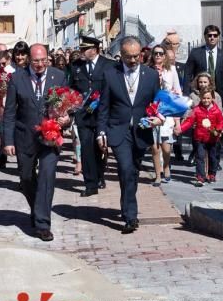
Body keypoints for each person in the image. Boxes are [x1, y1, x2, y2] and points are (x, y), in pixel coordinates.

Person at [3, 43, 70, 241]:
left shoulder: (58, 76)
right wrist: (8, 140)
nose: (40, 65)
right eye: (36, 61)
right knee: (26, 178)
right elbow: (9, 113)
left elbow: (65, 105)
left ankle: (42, 224)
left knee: (47, 177)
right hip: (25, 137)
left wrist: (67, 119)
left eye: (43, 60)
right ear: (28, 60)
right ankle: (37, 207)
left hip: (51, 136)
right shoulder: (17, 78)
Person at [97, 36, 161, 234]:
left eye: (136, 56)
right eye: (128, 57)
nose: (133, 61)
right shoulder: (110, 74)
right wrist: (101, 132)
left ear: (141, 54)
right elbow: (104, 107)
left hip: (141, 132)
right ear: (121, 56)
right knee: (125, 168)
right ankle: (131, 217)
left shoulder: (150, 75)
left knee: (132, 172)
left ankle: (127, 207)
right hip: (118, 131)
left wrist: (160, 118)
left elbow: (157, 103)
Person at [69, 36, 113, 196]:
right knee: (86, 149)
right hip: (83, 115)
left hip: (102, 114)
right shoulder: (75, 66)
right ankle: (90, 184)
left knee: (100, 147)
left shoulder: (109, 65)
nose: (80, 52)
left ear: (94, 50)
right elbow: (72, 89)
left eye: (84, 49)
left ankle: (100, 175)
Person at [176, 88, 223, 186]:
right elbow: (189, 121)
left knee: (213, 157)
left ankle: (211, 174)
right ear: (200, 98)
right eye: (204, 98)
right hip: (200, 138)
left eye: (208, 98)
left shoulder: (216, 110)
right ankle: (200, 176)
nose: (206, 100)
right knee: (200, 157)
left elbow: (221, 122)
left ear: (212, 98)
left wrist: (218, 130)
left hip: (213, 138)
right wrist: (181, 128)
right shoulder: (196, 110)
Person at [148, 45, 181, 185]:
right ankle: (157, 175)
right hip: (152, 110)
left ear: (165, 56)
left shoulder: (171, 70)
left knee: (166, 147)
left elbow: (177, 92)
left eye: (161, 54)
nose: (158, 56)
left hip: (167, 111)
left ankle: (166, 166)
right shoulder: (147, 70)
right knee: (155, 146)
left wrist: (178, 121)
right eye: (156, 53)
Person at [184, 25, 223, 102]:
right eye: (210, 35)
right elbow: (187, 74)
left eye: (215, 35)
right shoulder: (195, 53)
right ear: (205, 36)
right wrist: (186, 94)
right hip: (198, 94)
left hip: (217, 95)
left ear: (218, 37)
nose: (212, 37)